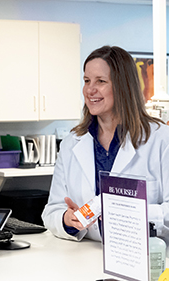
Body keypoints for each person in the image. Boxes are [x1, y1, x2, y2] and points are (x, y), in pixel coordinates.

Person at [41, 46, 169, 247]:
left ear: (123, 86)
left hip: (145, 258)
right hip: (89, 256)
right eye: (86, 81)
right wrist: (67, 220)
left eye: (100, 81)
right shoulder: (72, 143)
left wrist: (129, 212)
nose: (90, 90)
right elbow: (52, 211)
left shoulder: (160, 139)